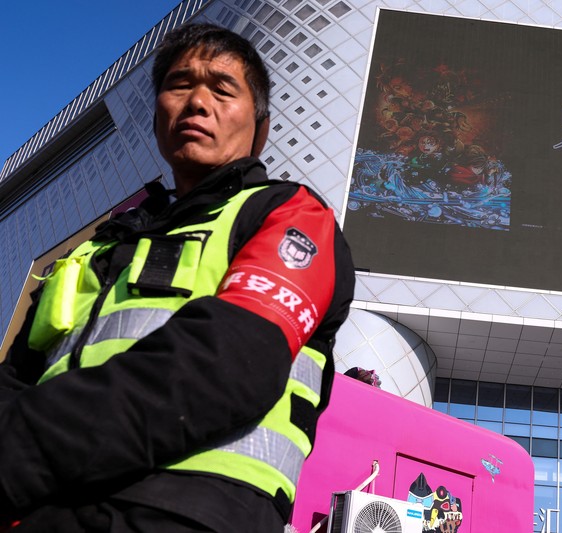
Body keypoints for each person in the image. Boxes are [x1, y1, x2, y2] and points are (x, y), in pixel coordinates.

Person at [0, 23, 354, 532]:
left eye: (222, 88)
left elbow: (228, 363)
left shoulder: (291, 216)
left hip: (192, 511)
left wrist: (15, 456)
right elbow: (16, 376)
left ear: (262, 126)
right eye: (179, 84)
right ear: (156, 116)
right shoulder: (95, 249)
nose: (197, 102)